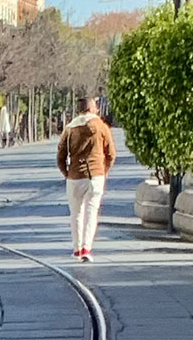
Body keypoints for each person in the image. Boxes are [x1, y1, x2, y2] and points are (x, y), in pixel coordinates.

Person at [57, 97, 116, 262]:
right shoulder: (102, 127)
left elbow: (60, 154)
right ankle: (86, 249)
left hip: (75, 176)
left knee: (76, 214)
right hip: (96, 176)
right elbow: (111, 153)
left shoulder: (70, 128)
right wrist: (104, 170)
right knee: (91, 212)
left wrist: (67, 173)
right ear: (92, 108)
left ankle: (76, 249)